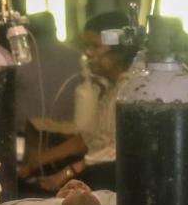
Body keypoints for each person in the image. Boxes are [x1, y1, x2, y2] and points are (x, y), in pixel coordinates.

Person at [18, 11, 137, 192]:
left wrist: (67, 173)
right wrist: (38, 161)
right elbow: (88, 139)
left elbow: (115, 152)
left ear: (120, 51)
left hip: (110, 179)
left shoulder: (132, 91)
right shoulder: (111, 89)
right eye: (86, 46)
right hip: (94, 170)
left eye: (95, 46)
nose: (87, 54)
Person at [14, 11, 82, 133]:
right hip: (69, 133)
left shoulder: (20, 60)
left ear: (27, 33)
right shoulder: (78, 57)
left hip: (28, 135)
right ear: (55, 29)